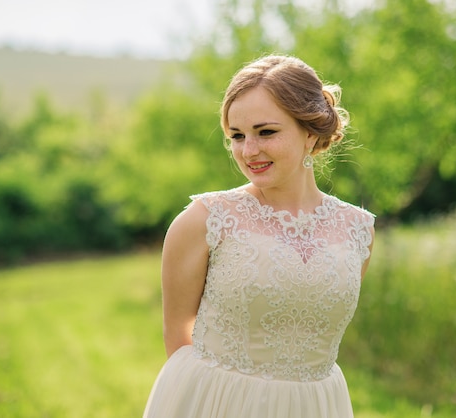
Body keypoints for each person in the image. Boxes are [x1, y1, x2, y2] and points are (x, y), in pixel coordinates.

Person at [143, 55, 375, 418]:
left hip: (316, 407)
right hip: (219, 403)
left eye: (266, 132)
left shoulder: (357, 229)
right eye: (237, 136)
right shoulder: (204, 220)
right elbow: (178, 339)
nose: (248, 151)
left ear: (310, 131)